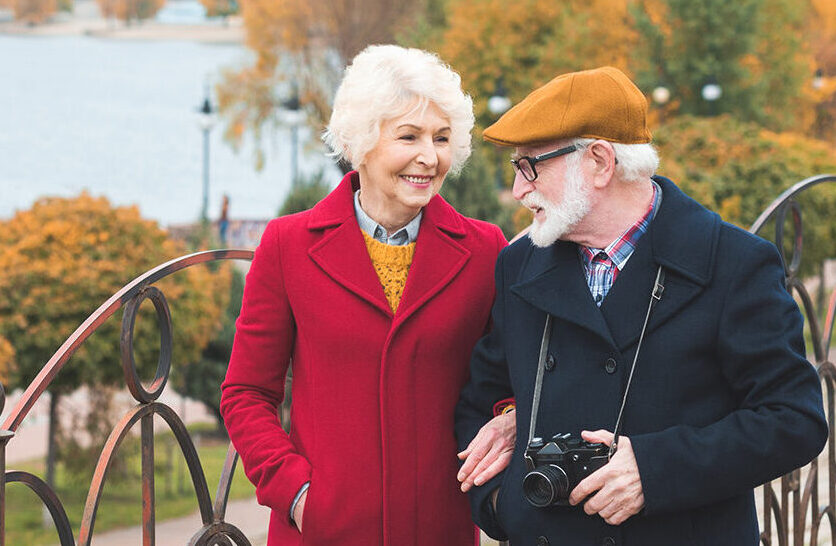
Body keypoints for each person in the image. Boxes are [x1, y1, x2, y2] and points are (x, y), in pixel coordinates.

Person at [454, 66, 828, 546]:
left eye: (531, 166)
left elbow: (792, 420)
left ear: (599, 162)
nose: (519, 190)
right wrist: (504, 506)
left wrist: (654, 471)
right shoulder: (518, 265)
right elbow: (481, 402)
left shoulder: (734, 263)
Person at [220, 44, 511, 546]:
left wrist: (507, 425)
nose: (430, 156)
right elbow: (247, 394)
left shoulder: (485, 250)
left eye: (442, 138)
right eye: (409, 136)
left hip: (439, 529)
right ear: (363, 140)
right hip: (321, 531)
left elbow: (510, 379)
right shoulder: (288, 245)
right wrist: (296, 495)